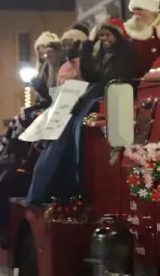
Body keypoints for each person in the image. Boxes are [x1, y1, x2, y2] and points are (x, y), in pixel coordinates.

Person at [26, 19, 135, 206]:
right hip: (88, 97)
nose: (105, 39)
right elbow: (92, 75)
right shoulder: (97, 55)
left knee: (70, 131)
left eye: (109, 35)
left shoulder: (123, 54)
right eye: (102, 36)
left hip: (107, 97)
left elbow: (107, 79)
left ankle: (65, 181)